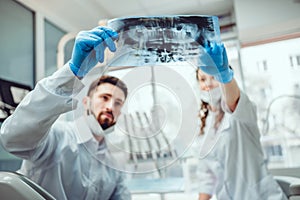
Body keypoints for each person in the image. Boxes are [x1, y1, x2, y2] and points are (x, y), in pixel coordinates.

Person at [0, 26, 131, 200]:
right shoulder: (57, 137)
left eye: (118, 103)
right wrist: (73, 71)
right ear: (86, 102)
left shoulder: (114, 164)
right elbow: (13, 139)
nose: (110, 107)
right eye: (105, 97)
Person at [195, 42, 287, 200]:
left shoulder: (240, 113)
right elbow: (207, 179)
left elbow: (233, 101)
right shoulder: (206, 127)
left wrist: (223, 74)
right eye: (203, 79)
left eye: (213, 77)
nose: (208, 84)